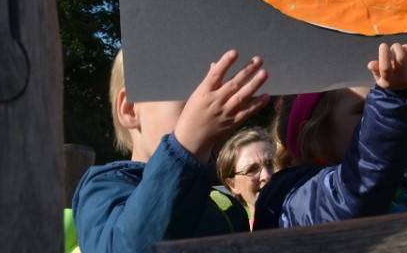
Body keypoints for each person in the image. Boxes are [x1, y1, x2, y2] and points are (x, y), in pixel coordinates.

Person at [72, 49, 270, 252]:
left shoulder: (226, 207)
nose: (214, 112)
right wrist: (186, 147)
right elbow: (126, 246)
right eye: (192, 101)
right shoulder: (102, 190)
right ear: (131, 109)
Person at [253, 42, 407, 229]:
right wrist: (393, 102)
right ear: (314, 137)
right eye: (364, 110)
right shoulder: (298, 195)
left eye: (377, 110)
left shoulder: (403, 184)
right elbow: (356, 190)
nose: (374, 119)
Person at [216, 126, 274, 228]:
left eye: (270, 164)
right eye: (251, 170)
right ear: (232, 185)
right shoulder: (236, 234)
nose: (266, 175)